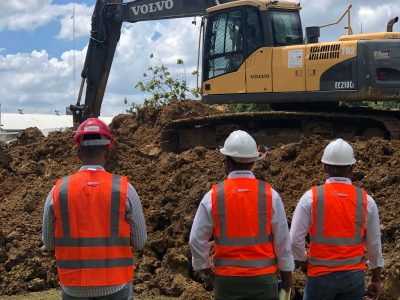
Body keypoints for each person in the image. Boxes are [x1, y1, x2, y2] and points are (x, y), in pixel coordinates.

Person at [42, 118, 147, 300]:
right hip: (116, 285)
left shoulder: (57, 191)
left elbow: (49, 243)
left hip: (73, 286)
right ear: (107, 153)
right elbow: (140, 241)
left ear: (78, 153)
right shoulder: (124, 189)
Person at [189, 130, 294, 300]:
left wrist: (207, 272)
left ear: (226, 163)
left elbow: (195, 240)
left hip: (227, 281)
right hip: (264, 281)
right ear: (253, 162)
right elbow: (283, 242)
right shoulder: (270, 195)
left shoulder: (213, 196)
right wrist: (287, 282)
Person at [290, 138, 384, 300]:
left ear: (325, 167)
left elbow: (294, 241)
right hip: (353, 278)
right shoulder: (366, 201)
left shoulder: (311, 198)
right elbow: (374, 245)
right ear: (352, 169)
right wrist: (375, 279)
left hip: (319, 276)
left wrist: (305, 264)